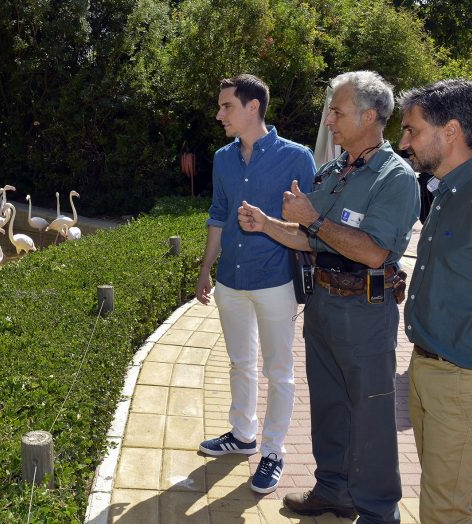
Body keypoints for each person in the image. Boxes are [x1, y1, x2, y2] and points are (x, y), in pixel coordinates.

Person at [238, 70, 420, 522]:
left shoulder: (394, 178)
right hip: (323, 306)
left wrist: (312, 222)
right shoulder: (337, 170)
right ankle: (334, 490)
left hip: (365, 312)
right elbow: (311, 239)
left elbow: (375, 251)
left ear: (371, 115)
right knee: (330, 405)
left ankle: (379, 511)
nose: (330, 121)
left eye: (337, 112)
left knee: (372, 416)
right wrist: (267, 223)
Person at [399, 79, 472, 524]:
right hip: (429, 368)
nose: (403, 142)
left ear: (449, 131)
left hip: (469, 380)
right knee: (453, 494)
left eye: (412, 130)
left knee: (441, 508)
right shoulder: (447, 190)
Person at [195, 73, 316, 494]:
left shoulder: (297, 157)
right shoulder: (222, 158)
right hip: (232, 279)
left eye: (226, 106)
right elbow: (218, 213)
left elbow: (311, 222)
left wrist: (268, 226)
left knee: (279, 371)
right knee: (239, 363)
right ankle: (243, 435)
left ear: (252, 107)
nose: (219, 114)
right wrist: (206, 267)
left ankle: (273, 451)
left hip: (276, 280)